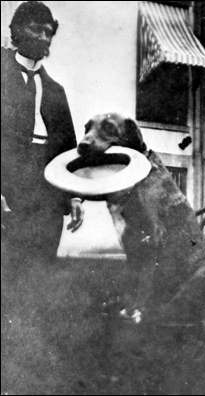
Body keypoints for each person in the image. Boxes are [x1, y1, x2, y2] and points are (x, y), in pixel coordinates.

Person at [1, 1, 84, 266]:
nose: (43, 38)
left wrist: (75, 196)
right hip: (10, 187)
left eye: (48, 32)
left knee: (43, 272)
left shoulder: (56, 91)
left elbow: (69, 149)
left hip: (47, 193)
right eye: (36, 29)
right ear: (17, 31)